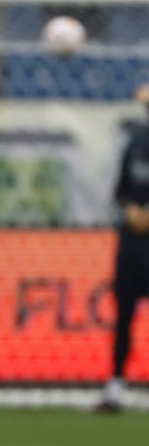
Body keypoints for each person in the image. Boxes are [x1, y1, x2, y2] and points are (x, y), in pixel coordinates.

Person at [95, 82, 149, 413]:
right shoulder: (136, 144)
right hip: (132, 239)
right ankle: (115, 387)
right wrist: (130, 209)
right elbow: (120, 190)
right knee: (124, 313)